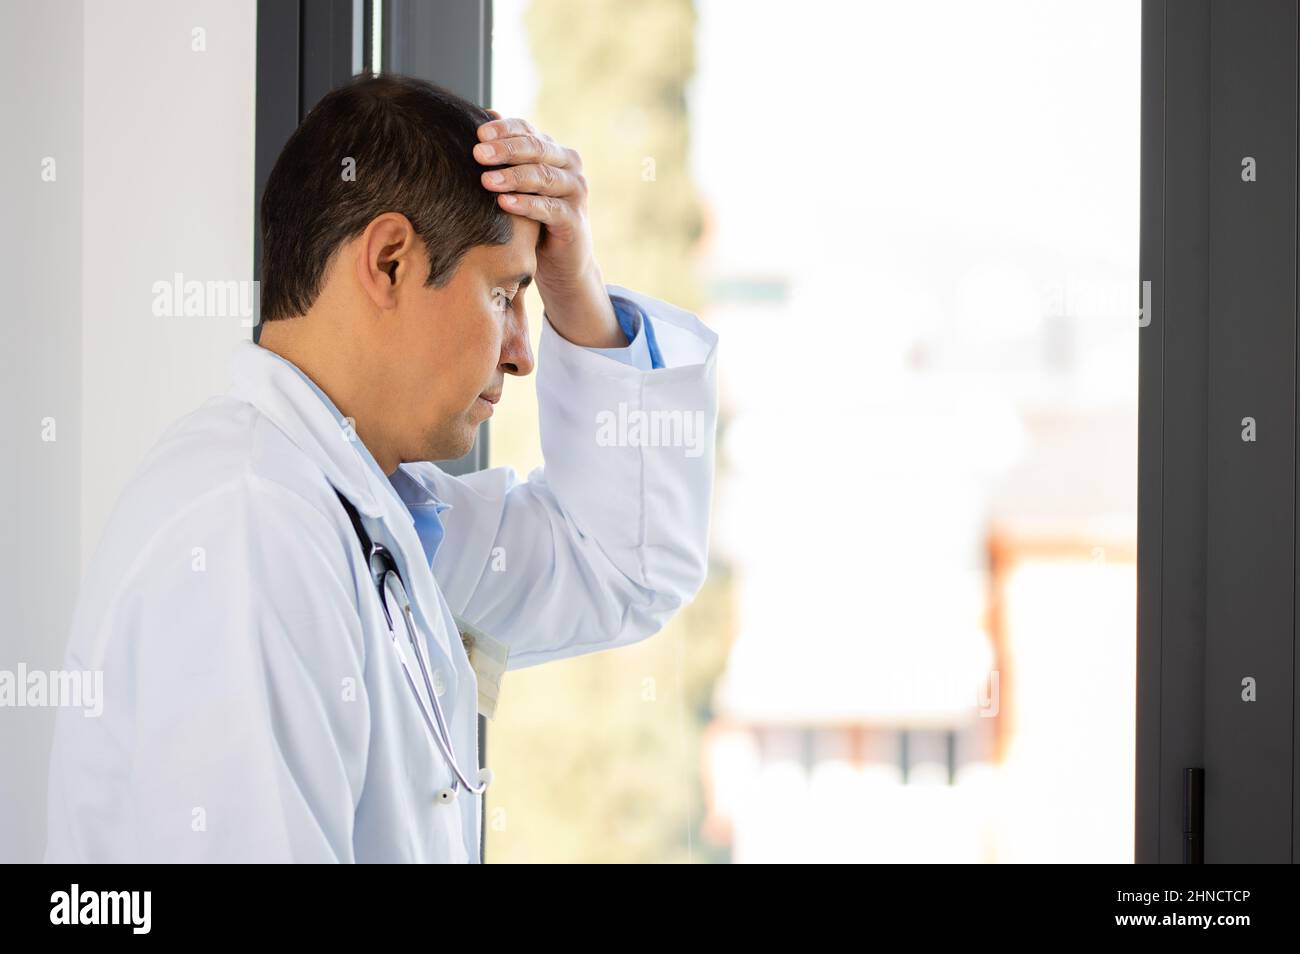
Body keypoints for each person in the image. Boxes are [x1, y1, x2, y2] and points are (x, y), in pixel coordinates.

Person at [43, 74, 718, 863]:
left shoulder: (373, 516)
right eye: (505, 296)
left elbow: (625, 565)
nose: (523, 353)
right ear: (391, 261)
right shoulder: (252, 526)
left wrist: (578, 284)